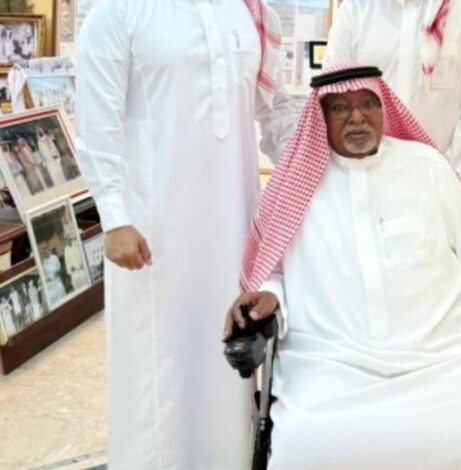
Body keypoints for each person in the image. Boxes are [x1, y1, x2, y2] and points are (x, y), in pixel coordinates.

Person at [224, 64, 461, 469]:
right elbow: (278, 271)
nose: (357, 117)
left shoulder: (425, 166)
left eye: (368, 104)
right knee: (303, 440)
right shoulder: (298, 183)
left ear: (384, 108)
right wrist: (269, 295)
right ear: (321, 117)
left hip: (441, 359)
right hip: (331, 363)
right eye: (340, 108)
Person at [75, 1, 297, 468]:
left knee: (226, 372)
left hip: (234, 231)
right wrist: (114, 217)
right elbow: (96, 123)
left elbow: (275, 110)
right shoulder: (118, 12)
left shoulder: (248, 12)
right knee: (157, 378)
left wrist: (316, 177)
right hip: (152, 238)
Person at [324, 0, 461, 179]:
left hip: (442, 178)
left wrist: (448, 172)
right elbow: (332, 96)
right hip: (367, 178)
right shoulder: (354, 9)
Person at [40, 240, 67, 305]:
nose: (45, 250)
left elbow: (58, 270)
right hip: (50, 288)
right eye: (43, 248)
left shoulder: (54, 258)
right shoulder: (44, 262)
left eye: (46, 247)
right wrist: (46, 279)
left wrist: (53, 275)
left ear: (48, 248)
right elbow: (44, 276)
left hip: (57, 284)